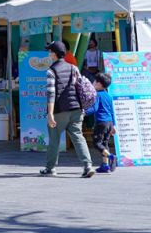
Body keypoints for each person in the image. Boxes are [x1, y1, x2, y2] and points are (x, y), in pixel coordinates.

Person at [39, 40, 95, 178]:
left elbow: (51, 93)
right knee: (78, 137)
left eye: (50, 51)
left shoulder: (51, 71)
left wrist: (50, 113)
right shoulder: (73, 68)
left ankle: (50, 168)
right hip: (76, 108)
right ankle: (88, 166)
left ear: (54, 54)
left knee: (54, 139)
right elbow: (79, 87)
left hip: (60, 110)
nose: (49, 53)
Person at [90, 73, 117, 172]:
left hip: (101, 122)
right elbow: (112, 111)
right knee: (104, 144)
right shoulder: (108, 96)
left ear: (99, 84)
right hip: (109, 122)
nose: (93, 83)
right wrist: (113, 125)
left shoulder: (98, 95)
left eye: (95, 81)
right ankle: (105, 165)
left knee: (97, 143)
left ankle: (111, 157)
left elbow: (94, 108)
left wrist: (84, 112)